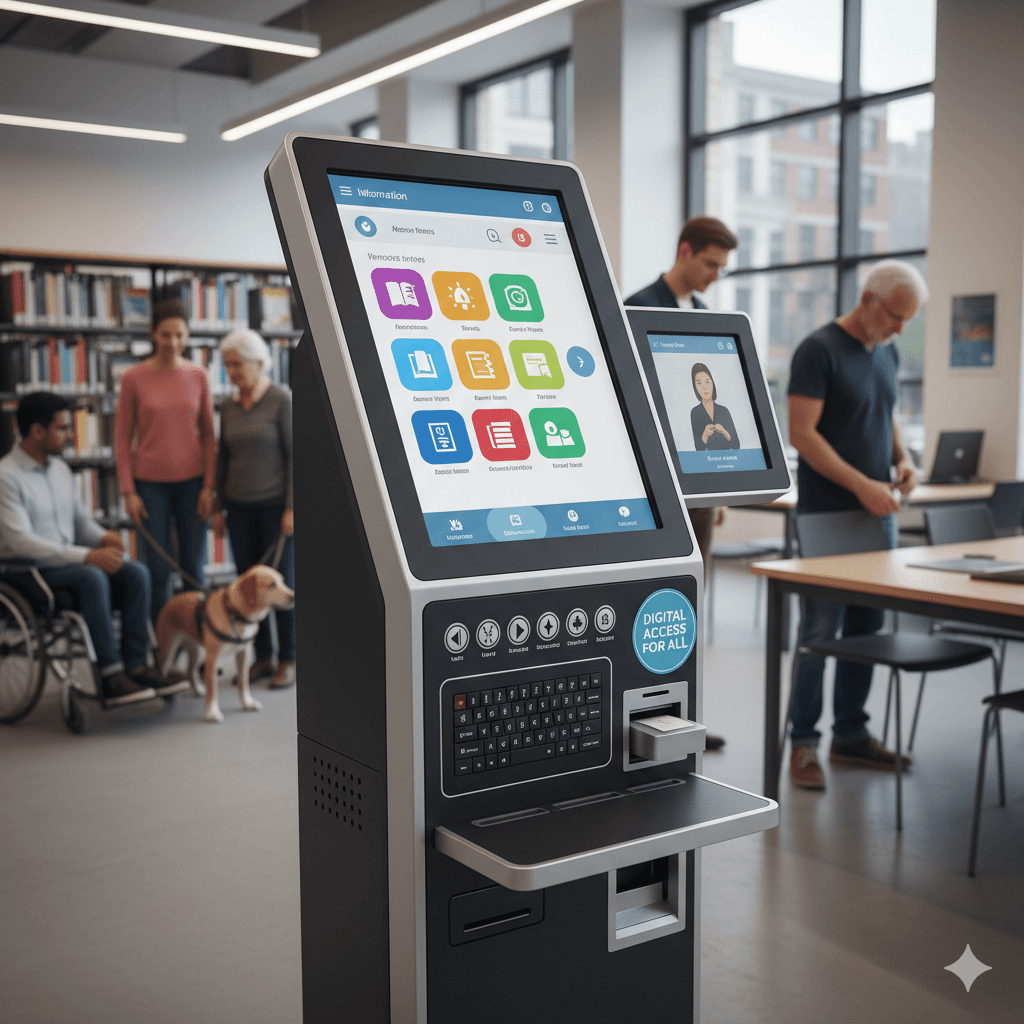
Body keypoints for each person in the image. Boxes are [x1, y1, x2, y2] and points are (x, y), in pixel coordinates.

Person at [787, 259, 927, 790]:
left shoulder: (885, 351)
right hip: (829, 517)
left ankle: (850, 733)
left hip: (877, 516)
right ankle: (803, 744)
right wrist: (861, 485)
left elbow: (885, 412)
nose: (899, 330)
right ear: (869, 299)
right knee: (820, 634)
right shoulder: (817, 350)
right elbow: (803, 434)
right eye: (895, 317)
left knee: (867, 629)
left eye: (906, 321)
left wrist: (903, 458)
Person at [625, 216, 739, 751]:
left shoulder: (707, 319)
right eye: (711, 263)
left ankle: (681, 717)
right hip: (652, 487)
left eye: (722, 267)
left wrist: (715, 487)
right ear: (685, 250)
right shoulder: (634, 307)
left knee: (687, 609)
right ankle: (639, 719)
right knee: (649, 608)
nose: (716, 275)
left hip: (696, 486)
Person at [0, 393, 165, 705]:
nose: (70, 435)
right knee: (92, 577)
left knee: (136, 573)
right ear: (37, 431)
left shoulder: (61, 469)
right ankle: (111, 675)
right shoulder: (6, 477)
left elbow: (80, 523)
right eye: (62, 428)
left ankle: (138, 665)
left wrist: (103, 538)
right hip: (30, 571)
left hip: (69, 563)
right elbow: (22, 541)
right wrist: (87, 555)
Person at [116, 298, 217, 624]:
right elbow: (121, 438)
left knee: (193, 566)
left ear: (187, 336)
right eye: (165, 335)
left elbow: (209, 436)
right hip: (150, 487)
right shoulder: (134, 378)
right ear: (152, 335)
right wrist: (128, 491)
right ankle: (163, 645)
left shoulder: (199, 375)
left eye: (179, 335)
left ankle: (197, 638)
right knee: (157, 570)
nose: (173, 343)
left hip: (193, 484)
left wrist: (209, 487)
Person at [211, 330, 295, 689]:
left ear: (260, 363)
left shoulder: (281, 400)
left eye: (237, 364)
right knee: (247, 588)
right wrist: (218, 506)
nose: (231, 371)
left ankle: (288, 659)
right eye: (227, 365)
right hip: (239, 509)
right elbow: (223, 458)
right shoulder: (228, 406)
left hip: (276, 509)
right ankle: (261, 656)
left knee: (280, 585)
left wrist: (292, 507)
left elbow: (296, 458)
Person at [690, 363, 740, 452]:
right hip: (710, 461)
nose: (704, 387)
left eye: (707, 381)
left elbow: (736, 445)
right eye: (699, 383)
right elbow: (699, 449)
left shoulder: (724, 410)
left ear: (713, 383)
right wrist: (705, 435)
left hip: (729, 460)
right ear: (695, 387)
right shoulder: (695, 412)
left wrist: (724, 432)